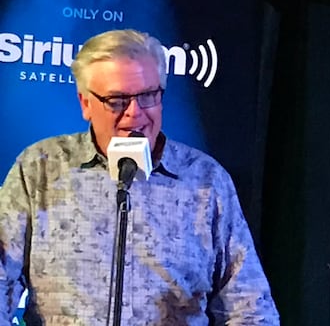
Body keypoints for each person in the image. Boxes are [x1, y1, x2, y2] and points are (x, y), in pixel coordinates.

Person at [0, 29, 279, 325]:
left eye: (148, 96)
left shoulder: (205, 179)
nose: (135, 114)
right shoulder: (41, 168)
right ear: (85, 104)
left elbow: (249, 307)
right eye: (117, 100)